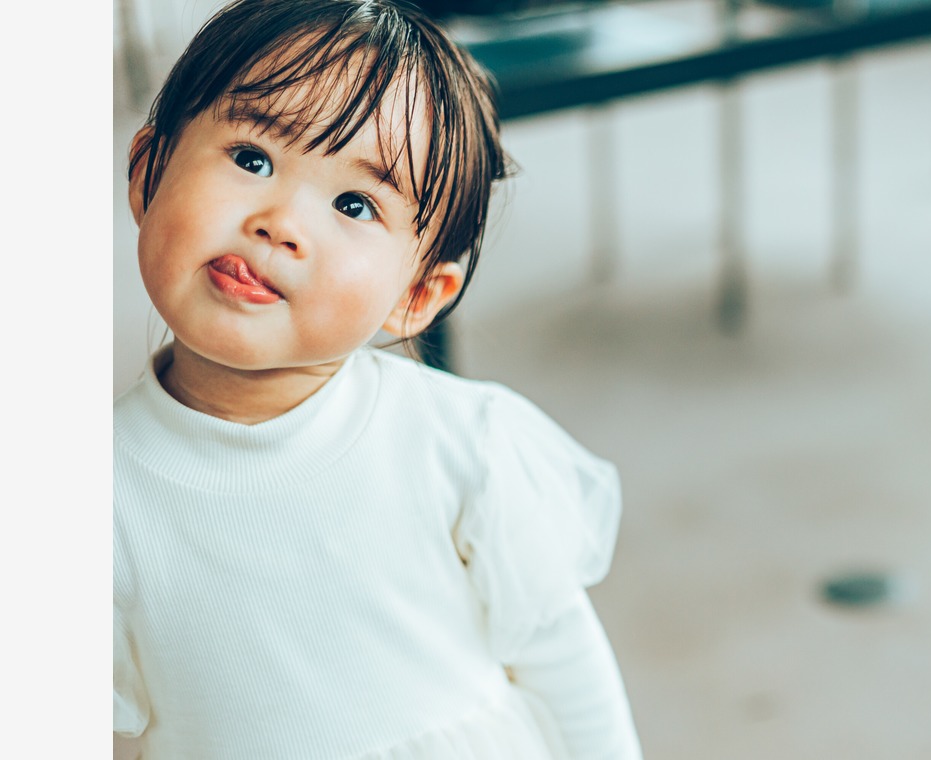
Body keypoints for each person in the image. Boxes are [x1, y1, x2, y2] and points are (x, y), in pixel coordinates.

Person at [113, 1, 643, 757]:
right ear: (149, 173)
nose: (280, 222)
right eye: (252, 158)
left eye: (354, 204)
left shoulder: (463, 444)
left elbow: (566, 665)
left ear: (416, 296)